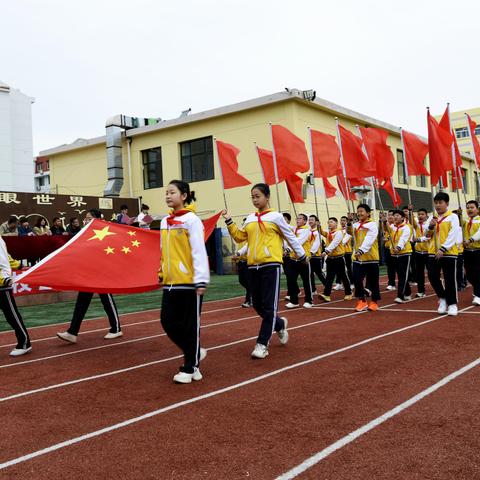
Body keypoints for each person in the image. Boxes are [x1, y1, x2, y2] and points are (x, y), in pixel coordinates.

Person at [224, 183, 305, 359]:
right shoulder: (250, 218)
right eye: (252, 197)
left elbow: (289, 236)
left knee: (269, 306)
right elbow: (240, 237)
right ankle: (279, 324)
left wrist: (302, 255)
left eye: (257, 196)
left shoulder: (276, 217)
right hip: (253, 266)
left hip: (271, 266)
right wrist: (229, 221)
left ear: (267, 197)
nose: (254, 199)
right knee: (258, 305)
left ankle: (262, 344)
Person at [159, 180, 209, 383]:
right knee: (167, 321)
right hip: (170, 282)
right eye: (167, 193)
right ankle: (195, 352)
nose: (168, 196)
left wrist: (201, 279)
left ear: (184, 196)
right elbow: (164, 251)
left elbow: (198, 250)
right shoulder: (165, 221)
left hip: (189, 282)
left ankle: (189, 367)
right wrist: (161, 271)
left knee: (190, 326)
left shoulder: (192, 220)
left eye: (172, 192)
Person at [57, 209, 123, 344]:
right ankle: (72, 332)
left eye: (88, 218)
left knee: (106, 299)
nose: (85, 220)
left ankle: (116, 328)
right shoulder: (85, 232)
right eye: (85, 218)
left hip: (102, 273)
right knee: (81, 302)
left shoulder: (105, 232)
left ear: (96, 219)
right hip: (89, 274)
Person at [425, 192, 459, 316]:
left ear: (447, 204)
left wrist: (443, 249)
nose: (438, 205)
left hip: (448, 253)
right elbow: (426, 236)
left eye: (440, 203)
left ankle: (452, 304)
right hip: (433, 252)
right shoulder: (432, 217)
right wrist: (430, 226)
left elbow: (453, 233)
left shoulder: (453, 217)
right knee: (432, 276)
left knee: (450, 278)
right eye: (436, 203)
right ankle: (442, 298)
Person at [0, 237, 31, 356]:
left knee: (12, 316)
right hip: (3, 281)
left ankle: (25, 343)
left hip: (2, 285)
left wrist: (4, 279)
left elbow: (2, 261)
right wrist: (18, 265)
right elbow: (6, 257)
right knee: (11, 315)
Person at [348, 204, 381, 312]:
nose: (359, 213)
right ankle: (361, 300)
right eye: (358, 211)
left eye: (362, 211)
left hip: (371, 258)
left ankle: (374, 302)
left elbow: (369, 239)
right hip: (358, 259)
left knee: (373, 281)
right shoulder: (356, 225)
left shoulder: (372, 225)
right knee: (357, 280)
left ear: (368, 213)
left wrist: (361, 250)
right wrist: (349, 223)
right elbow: (349, 234)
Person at [319, 217, 352, 302]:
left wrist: (326, 251)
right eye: (328, 222)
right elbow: (322, 233)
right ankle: (326, 295)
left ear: (336, 224)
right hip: (330, 258)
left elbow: (335, 243)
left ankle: (348, 293)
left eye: (331, 222)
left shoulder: (338, 233)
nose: (329, 224)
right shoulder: (329, 233)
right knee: (329, 277)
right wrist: (319, 227)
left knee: (343, 276)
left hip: (338, 258)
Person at [285, 214, 313, 309]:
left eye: (300, 218)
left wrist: (288, 249)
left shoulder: (306, 230)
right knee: (291, 280)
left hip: (303, 259)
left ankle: (309, 300)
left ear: (305, 221)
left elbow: (298, 241)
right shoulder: (294, 229)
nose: (297, 220)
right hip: (293, 259)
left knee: (306, 281)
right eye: (297, 218)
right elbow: (286, 226)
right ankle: (294, 301)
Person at [384, 210, 412, 303]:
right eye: (394, 215)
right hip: (394, 254)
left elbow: (404, 238)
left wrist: (399, 247)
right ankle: (408, 292)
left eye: (397, 215)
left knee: (403, 275)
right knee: (400, 274)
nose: (395, 217)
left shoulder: (406, 227)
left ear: (403, 218)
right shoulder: (392, 226)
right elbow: (386, 229)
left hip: (404, 253)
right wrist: (384, 221)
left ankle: (400, 295)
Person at [462, 200, 480, 306]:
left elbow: (479, 233)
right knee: (469, 274)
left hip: (478, 250)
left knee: (477, 272)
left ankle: (478, 295)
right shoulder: (465, 221)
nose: (469, 209)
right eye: (467, 207)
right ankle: (478, 289)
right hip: (467, 251)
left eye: (472, 207)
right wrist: (458, 215)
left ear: (477, 209)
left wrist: (470, 240)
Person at [412, 208, 429, 297]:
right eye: (419, 214)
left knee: (432, 273)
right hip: (418, 252)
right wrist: (411, 211)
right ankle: (421, 291)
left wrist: (419, 239)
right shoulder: (416, 225)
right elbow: (411, 220)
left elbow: (428, 236)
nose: (420, 216)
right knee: (419, 273)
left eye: (422, 214)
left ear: (426, 215)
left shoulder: (429, 224)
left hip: (428, 252)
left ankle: (439, 285)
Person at [282, 212, 299, 302]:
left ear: (288, 220)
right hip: (282, 255)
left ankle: (291, 293)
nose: (282, 220)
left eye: (284, 219)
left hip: (290, 254)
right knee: (288, 274)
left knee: (290, 275)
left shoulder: (292, 229)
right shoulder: (280, 229)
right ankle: (296, 290)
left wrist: (287, 249)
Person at [235, 218, 251, 307]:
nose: (243, 225)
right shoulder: (241, 236)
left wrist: (238, 253)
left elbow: (246, 247)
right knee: (242, 281)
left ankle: (249, 300)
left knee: (248, 281)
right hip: (240, 261)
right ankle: (253, 293)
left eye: (245, 223)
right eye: (243, 223)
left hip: (248, 262)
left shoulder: (250, 235)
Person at [308, 214, 325, 295]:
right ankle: (313, 290)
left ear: (316, 222)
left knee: (319, 273)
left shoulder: (317, 232)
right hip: (308, 256)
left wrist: (312, 252)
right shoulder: (307, 231)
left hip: (316, 256)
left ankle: (327, 285)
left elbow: (317, 244)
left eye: (312, 220)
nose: (310, 221)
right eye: (309, 219)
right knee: (310, 273)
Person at [383, 210, 396, 291]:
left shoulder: (395, 226)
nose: (390, 216)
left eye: (392, 215)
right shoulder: (386, 226)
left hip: (395, 250)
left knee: (398, 268)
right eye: (389, 215)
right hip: (387, 249)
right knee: (390, 267)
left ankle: (406, 281)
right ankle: (391, 283)